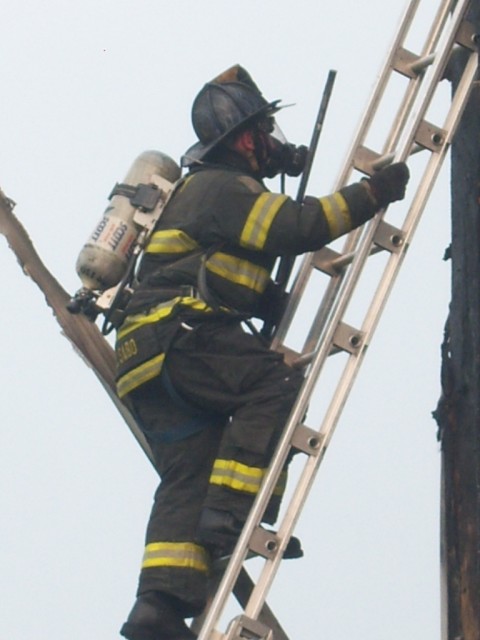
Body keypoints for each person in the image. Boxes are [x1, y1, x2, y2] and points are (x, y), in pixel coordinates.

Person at [116, 65, 409, 640]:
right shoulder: (224, 187)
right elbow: (300, 225)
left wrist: (269, 297)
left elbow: (223, 269)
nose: (274, 143)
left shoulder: (200, 192)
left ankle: (158, 606)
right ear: (246, 138)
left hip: (144, 357)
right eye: (266, 131)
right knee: (271, 383)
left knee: (190, 469)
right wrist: (372, 193)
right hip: (179, 337)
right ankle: (231, 517)